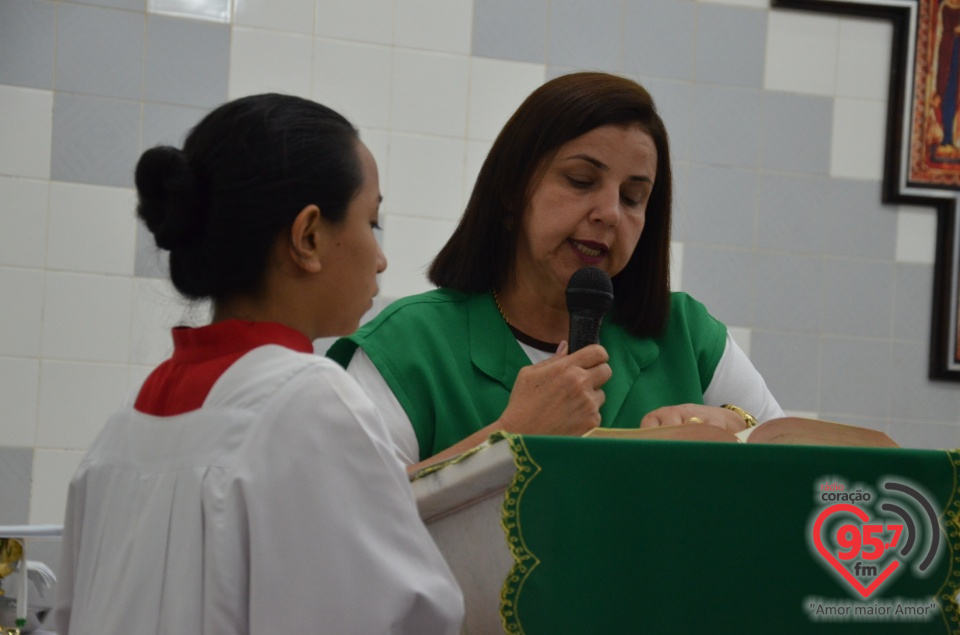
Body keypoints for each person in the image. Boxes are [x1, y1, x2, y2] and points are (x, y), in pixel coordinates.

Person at [53, 94, 464, 634]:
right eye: (372, 221)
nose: (381, 256)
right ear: (309, 236)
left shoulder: (123, 428)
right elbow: (397, 620)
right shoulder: (312, 400)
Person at [327, 72, 784, 470]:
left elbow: (807, 480)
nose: (609, 213)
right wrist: (509, 435)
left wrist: (737, 426)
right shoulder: (408, 346)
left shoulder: (687, 336)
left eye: (632, 197)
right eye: (581, 181)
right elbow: (353, 524)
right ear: (511, 191)